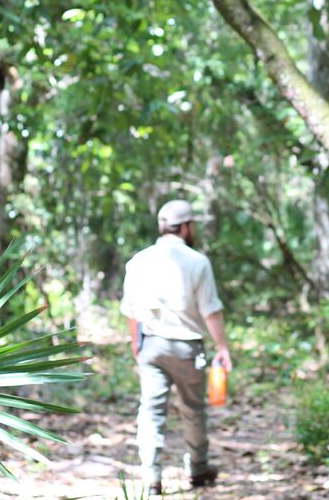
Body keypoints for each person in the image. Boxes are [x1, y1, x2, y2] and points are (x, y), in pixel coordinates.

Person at [120, 199, 232, 496]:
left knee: (151, 410)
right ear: (185, 227)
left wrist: (136, 344)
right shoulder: (198, 262)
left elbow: (130, 311)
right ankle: (197, 469)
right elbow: (211, 310)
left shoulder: (139, 261)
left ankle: (151, 477)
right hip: (187, 348)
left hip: (152, 347)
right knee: (193, 409)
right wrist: (222, 347)